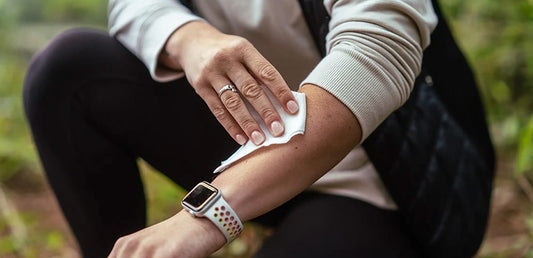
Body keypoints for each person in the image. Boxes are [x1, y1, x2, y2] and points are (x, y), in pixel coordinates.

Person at [23, 0, 439, 257]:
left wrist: (206, 218)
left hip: (373, 182)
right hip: (248, 145)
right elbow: (132, 4)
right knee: (68, 71)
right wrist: (191, 39)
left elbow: (377, 53)